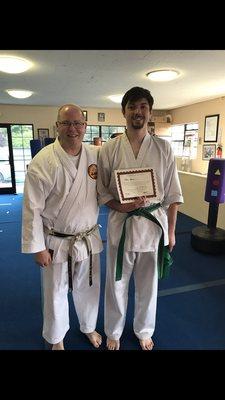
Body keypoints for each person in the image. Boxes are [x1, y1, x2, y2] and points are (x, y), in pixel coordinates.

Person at [97, 87, 183, 351]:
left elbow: (172, 194)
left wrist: (171, 232)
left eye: (143, 106)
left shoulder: (163, 148)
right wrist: (120, 207)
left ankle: (144, 330)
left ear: (149, 111)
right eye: (133, 106)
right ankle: (113, 331)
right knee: (116, 284)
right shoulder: (109, 149)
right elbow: (101, 192)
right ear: (124, 111)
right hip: (120, 226)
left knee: (148, 286)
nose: (138, 111)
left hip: (152, 227)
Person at [22, 104, 103, 350]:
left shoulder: (96, 155)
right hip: (57, 241)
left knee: (89, 287)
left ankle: (88, 326)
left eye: (78, 123)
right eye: (66, 123)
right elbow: (32, 208)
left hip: (88, 237)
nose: (73, 128)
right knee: (55, 292)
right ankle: (56, 337)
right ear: (57, 125)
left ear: (85, 127)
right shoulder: (43, 160)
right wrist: (37, 247)